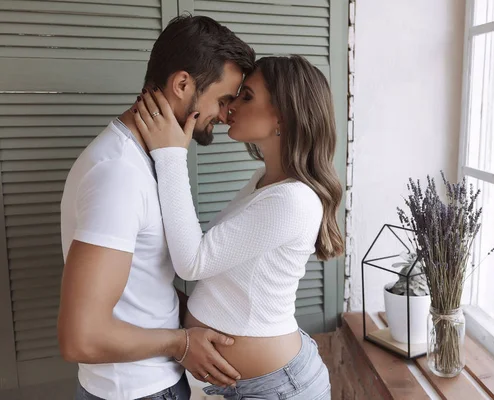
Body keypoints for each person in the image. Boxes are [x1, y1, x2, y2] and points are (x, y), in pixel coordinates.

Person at [58, 15, 255, 400]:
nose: (227, 113)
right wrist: (181, 344)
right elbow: (80, 338)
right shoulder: (119, 174)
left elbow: (144, 283)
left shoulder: (144, 160)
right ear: (183, 84)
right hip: (135, 391)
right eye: (223, 99)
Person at [132, 55, 344, 400]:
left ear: (283, 117)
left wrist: (171, 155)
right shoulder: (265, 181)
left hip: (279, 389)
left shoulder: (292, 200)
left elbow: (192, 262)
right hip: (258, 386)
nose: (230, 107)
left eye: (247, 97)